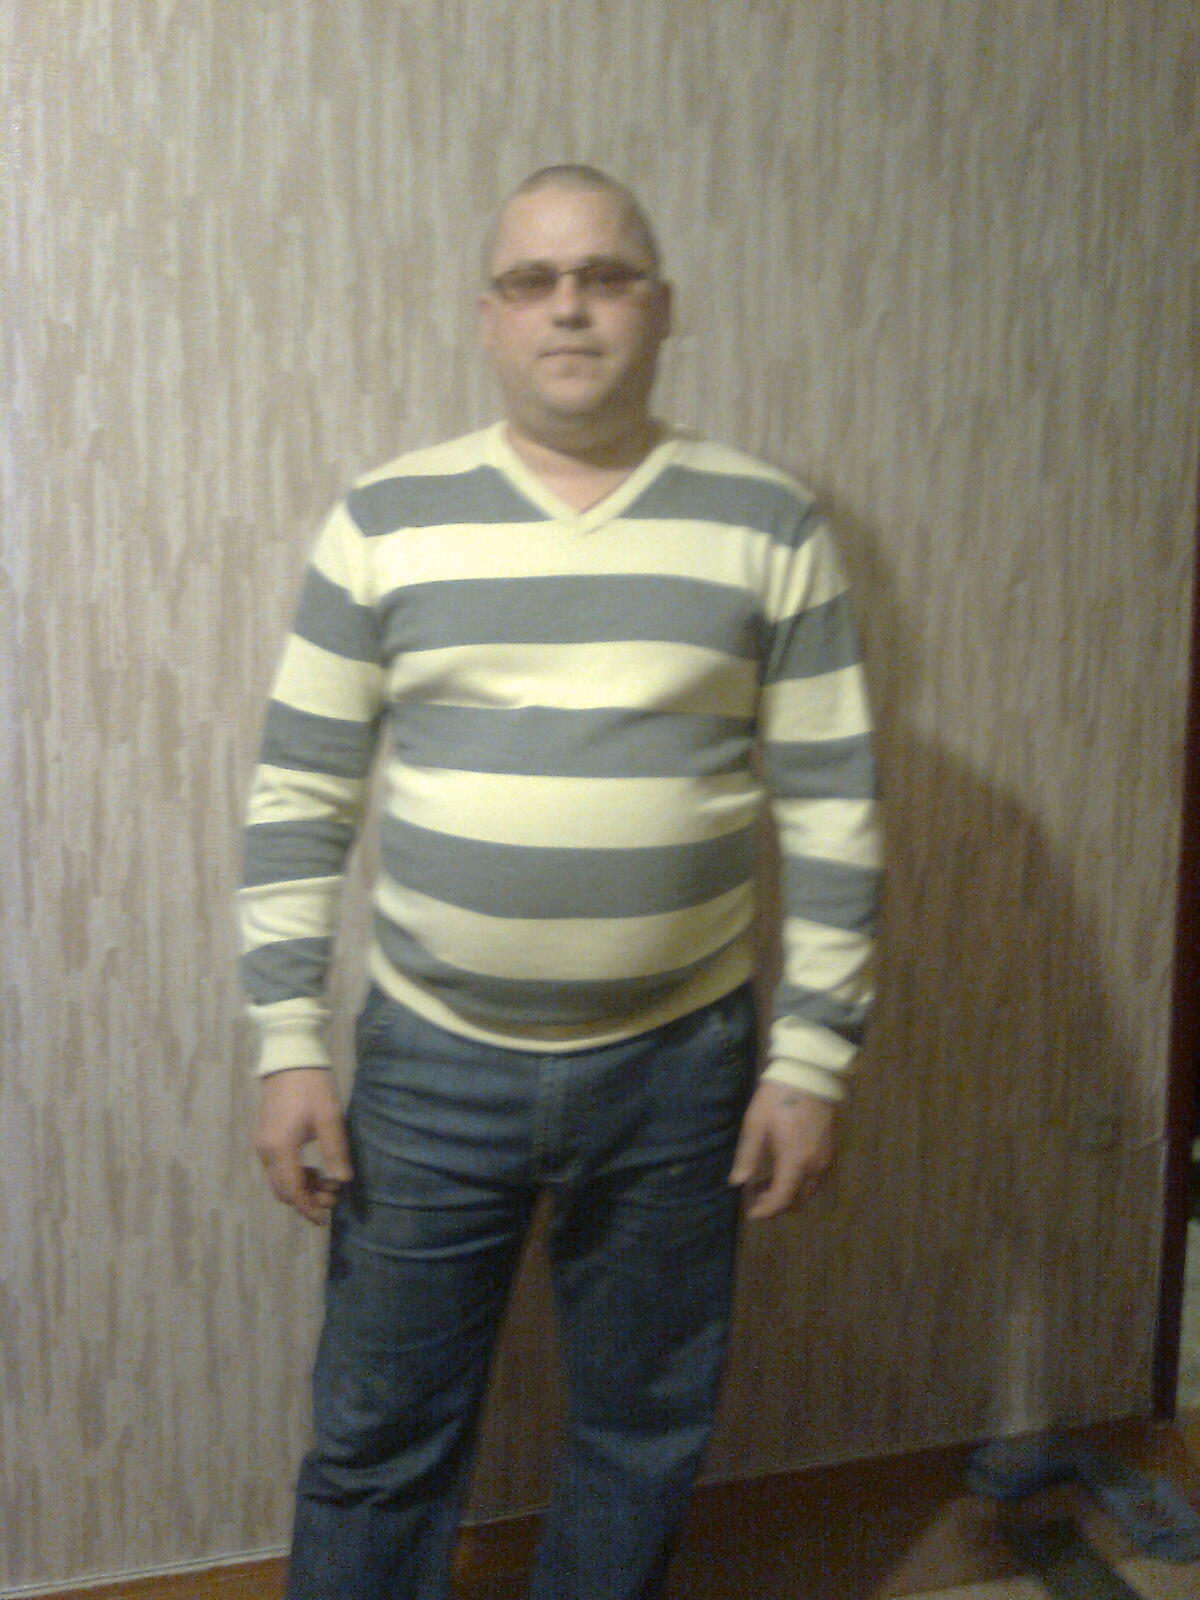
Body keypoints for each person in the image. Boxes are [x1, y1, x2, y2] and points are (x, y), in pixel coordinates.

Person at [239, 164, 881, 1600]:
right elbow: (300, 794)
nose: (570, 308)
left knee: (642, 1433)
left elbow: (834, 808)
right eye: (533, 281)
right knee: (378, 1438)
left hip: (680, 1068)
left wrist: (812, 1061)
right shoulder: (384, 520)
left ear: (662, 307)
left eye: (605, 276)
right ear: (490, 317)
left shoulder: (770, 524)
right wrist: (286, 1042)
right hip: (428, 1065)